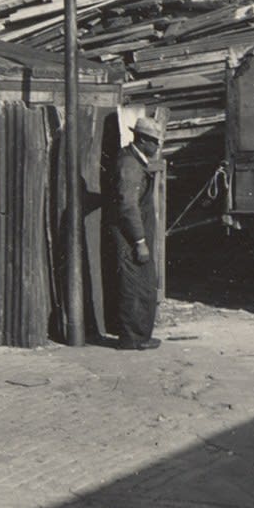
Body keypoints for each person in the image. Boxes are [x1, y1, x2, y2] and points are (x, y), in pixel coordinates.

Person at [111, 113, 163, 351]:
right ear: (142, 140)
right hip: (131, 236)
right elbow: (128, 204)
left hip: (135, 233)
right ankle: (132, 338)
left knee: (141, 285)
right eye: (154, 141)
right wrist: (140, 241)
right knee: (134, 286)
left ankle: (139, 336)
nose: (157, 146)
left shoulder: (134, 159)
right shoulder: (130, 164)